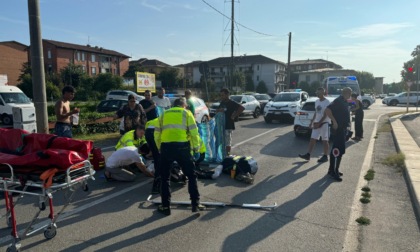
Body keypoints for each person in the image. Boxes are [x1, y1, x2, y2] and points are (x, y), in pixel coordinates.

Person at [154, 98, 204, 215]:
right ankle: (195, 204)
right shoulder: (186, 113)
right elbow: (194, 132)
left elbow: (157, 133)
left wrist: (159, 148)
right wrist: (196, 148)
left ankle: (165, 206)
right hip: (182, 147)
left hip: (166, 147)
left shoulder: (164, 114)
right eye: (186, 105)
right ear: (183, 105)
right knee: (191, 176)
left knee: (165, 177)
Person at [325, 87, 352, 182]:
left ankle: (332, 169)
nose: (351, 95)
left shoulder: (344, 101)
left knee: (339, 150)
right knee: (337, 150)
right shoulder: (338, 100)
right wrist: (334, 121)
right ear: (346, 93)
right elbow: (327, 110)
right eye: (350, 93)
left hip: (343, 129)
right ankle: (333, 171)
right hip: (338, 129)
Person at [299, 87, 331, 162]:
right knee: (312, 139)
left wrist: (320, 123)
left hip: (324, 123)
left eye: (319, 93)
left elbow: (326, 114)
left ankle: (325, 156)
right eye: (317, 93)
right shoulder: (316, 101)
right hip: (316, 123)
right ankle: (308, 155)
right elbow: (316, 113)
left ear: (323, 93)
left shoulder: (327, 102)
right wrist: (311, 122)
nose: (317, 94)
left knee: (325, 140)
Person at [217, 88, 245, 155]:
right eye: (220, 95)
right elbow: (217, 111)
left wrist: (234, 115)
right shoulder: (222, 103)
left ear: (227, 95)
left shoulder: (232, 103)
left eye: (223, 95)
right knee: (221, 141)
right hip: (222, 125)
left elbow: (242, 108)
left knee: (227, 142)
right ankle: (222, 155)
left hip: (228, 125)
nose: (221, 97)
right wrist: (219, 111)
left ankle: (227, 155)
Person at [145, 117, 161, 194]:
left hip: (148, 132)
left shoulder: (163, 115)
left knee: (157, 158)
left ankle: (157, 180)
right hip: (156, 132)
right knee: (160, 160)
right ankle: (157, 186)